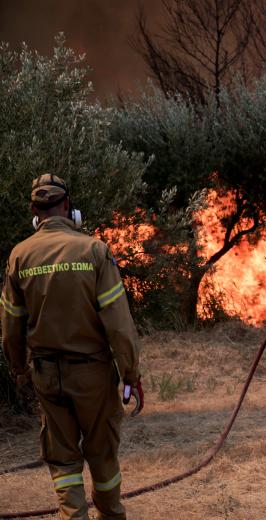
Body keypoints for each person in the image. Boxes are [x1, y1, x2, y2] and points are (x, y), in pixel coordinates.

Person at [1, 174, 143, 520]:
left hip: (47, 376)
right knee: (103, 456)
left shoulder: (20, 255)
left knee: (63, 460)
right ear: (69, 208)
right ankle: (110, 515)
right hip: (93, 375)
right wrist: (130, 374)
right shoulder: (94, 251)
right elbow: (120, 326)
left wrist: (19, 368)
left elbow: (11, 326)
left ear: (35, 212)